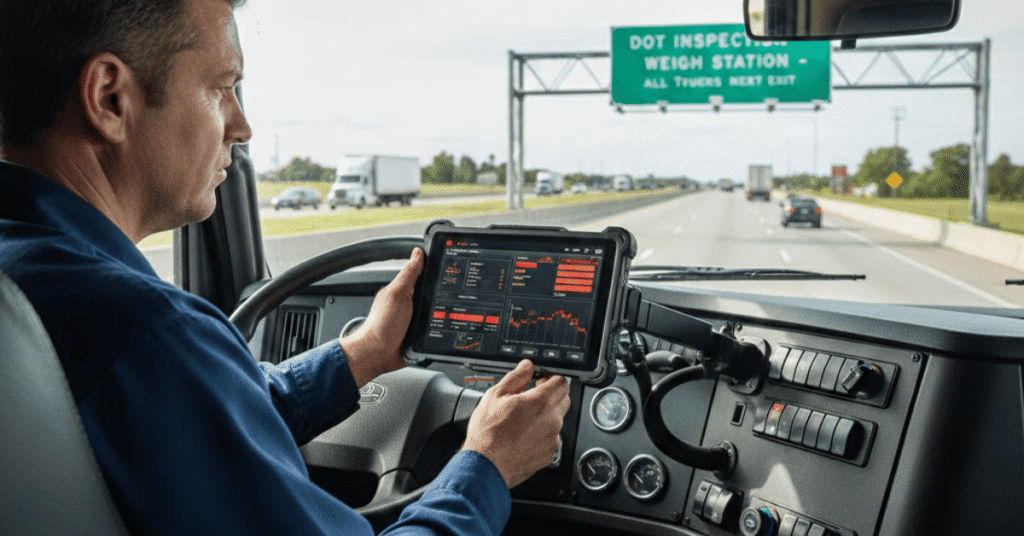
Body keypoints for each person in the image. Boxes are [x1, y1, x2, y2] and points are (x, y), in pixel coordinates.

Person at [0, 0, 570, 534]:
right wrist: (486, 467)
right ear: (109, 97)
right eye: (221, 87)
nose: (240, 126)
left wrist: (365, 352)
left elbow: (203, 425)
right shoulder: (141, 330)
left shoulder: (32, 282)